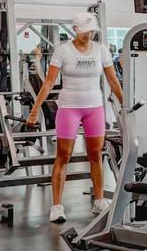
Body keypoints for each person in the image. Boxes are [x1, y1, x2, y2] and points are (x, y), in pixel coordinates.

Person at [27, 13, 126, 223]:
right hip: (69, 108)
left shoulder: (101, 49)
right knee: (63, 155)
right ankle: (57, 206)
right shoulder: (63, 50)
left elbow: (112, 79)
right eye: (85, 31)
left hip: (94, 108)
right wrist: (35, 110)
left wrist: (125, 104)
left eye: (92, 31)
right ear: (75, 29)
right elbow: (49, 82)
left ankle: (99, 200)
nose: (89, 35)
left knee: (95, 154)